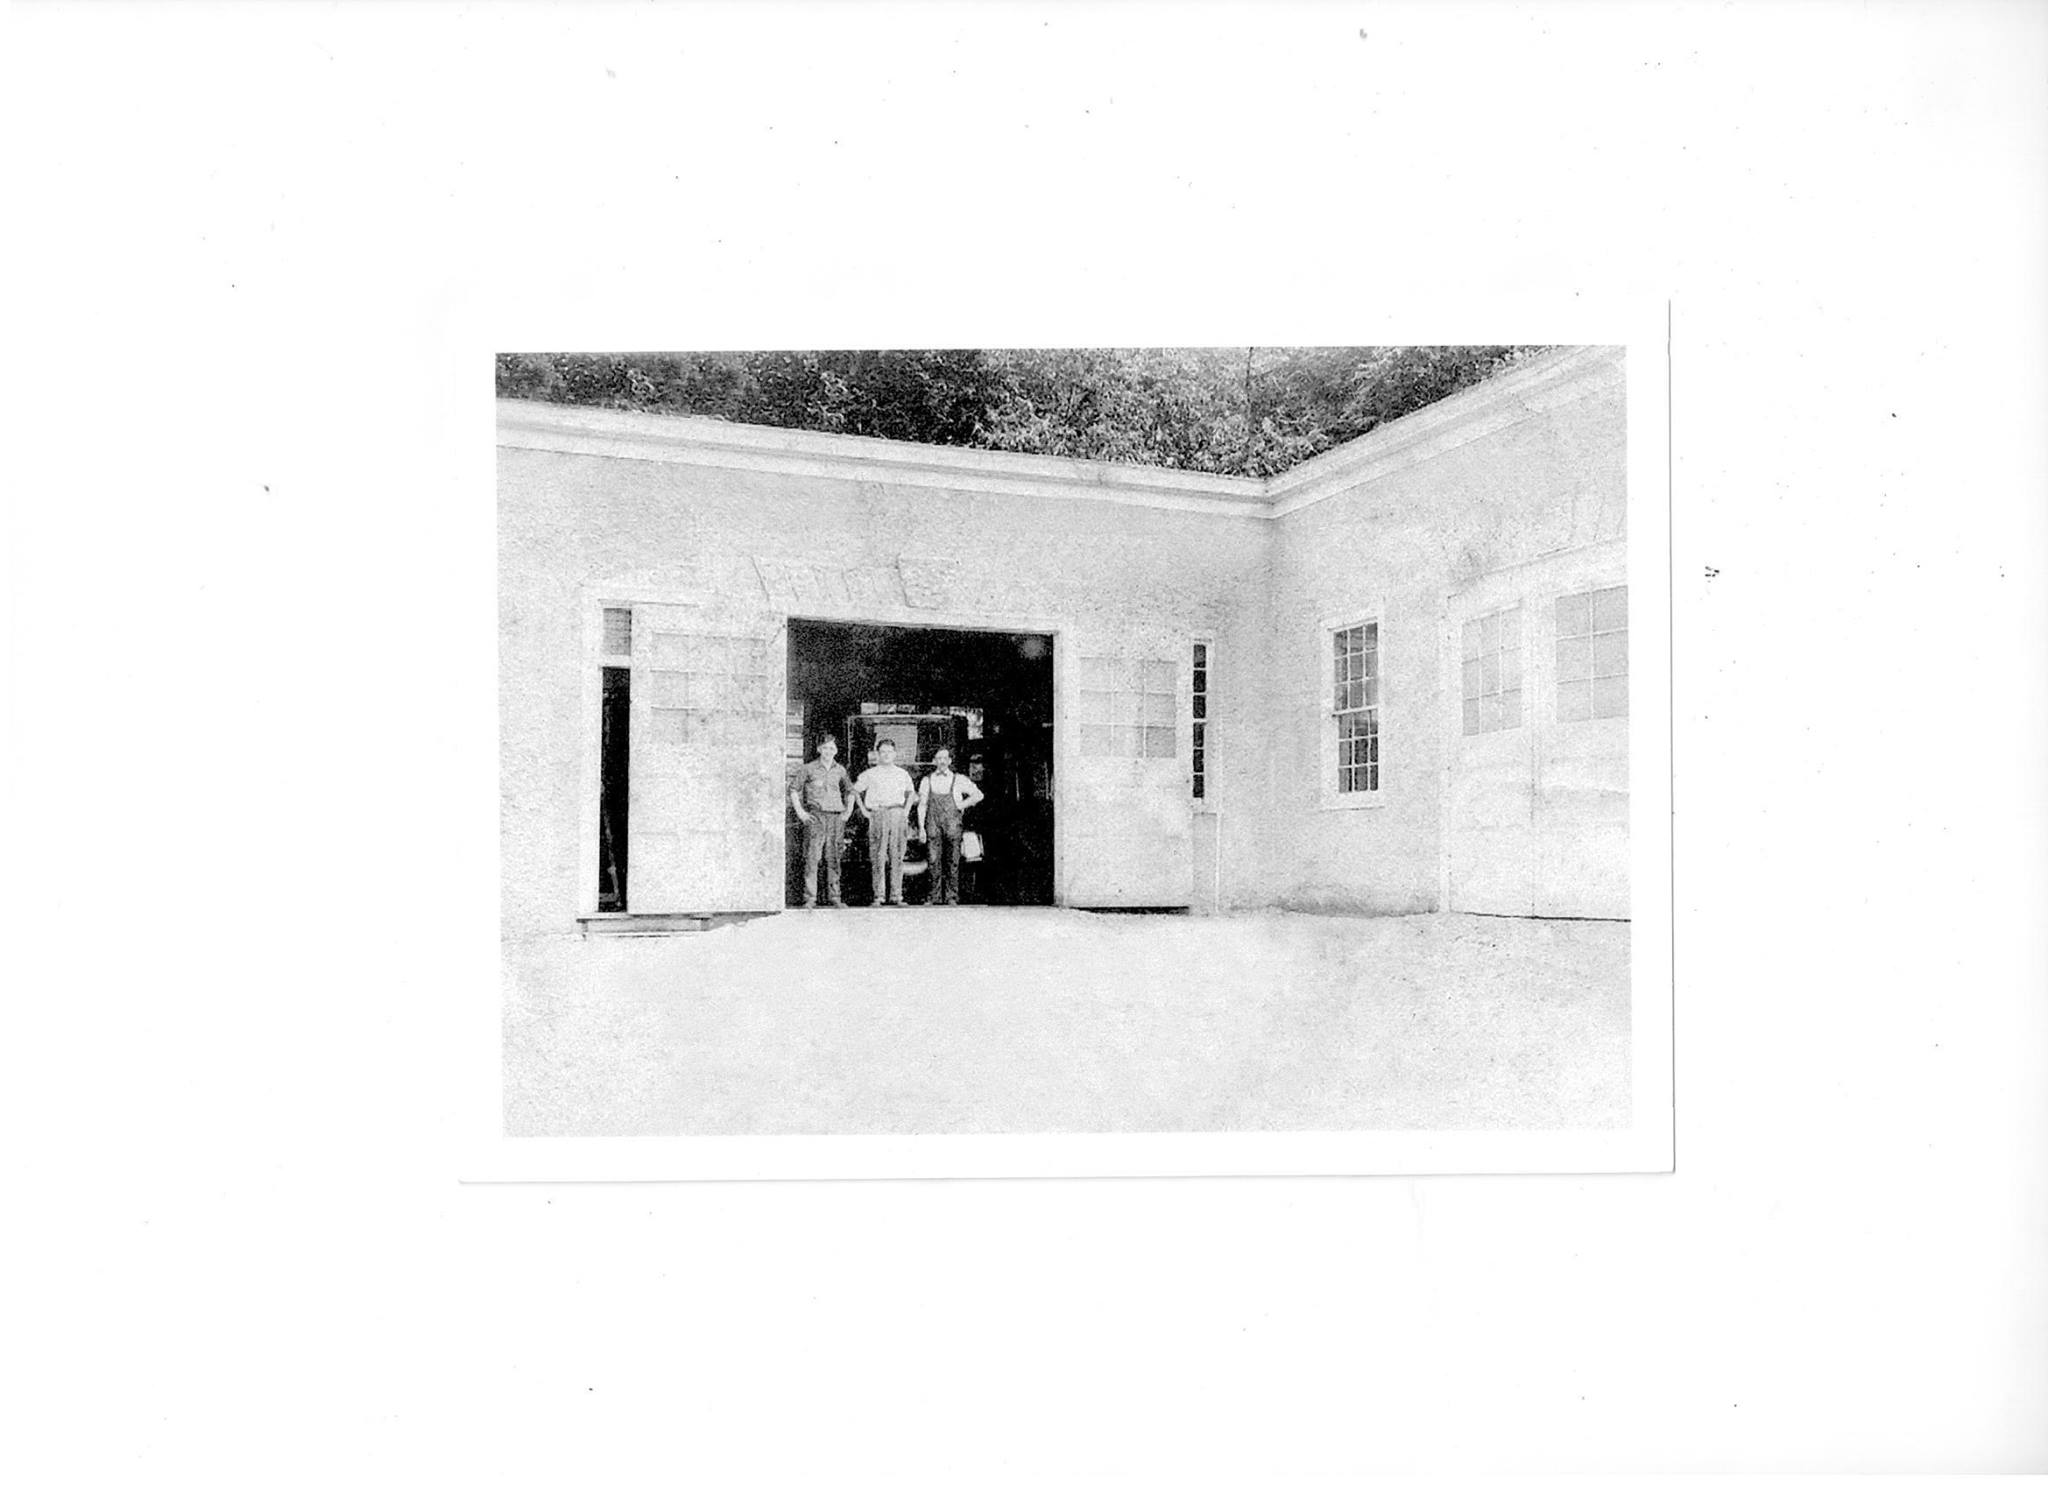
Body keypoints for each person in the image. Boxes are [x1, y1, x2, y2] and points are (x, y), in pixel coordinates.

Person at [788, 736, 853, 908]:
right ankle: (810, 898)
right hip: (816, 817)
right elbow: (793, 789)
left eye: (832, 748)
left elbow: (850, 791)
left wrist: (847, 812)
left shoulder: (840, 770)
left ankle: (835, 897)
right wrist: (801, 812)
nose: (828, 751)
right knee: (813, 857)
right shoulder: (808, 768)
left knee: (834, 858)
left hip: (835, 818)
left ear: (836, 751)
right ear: (819, 749)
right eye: (825, 748)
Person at [913, 747, 984, 905]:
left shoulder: (959, 779)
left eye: (945, 758)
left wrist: (961, 805)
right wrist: (921, 828)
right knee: (933, 860)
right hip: (933, 824)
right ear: (934, 761)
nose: (942, 761)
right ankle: (934, 896)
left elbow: (978, 795)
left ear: (950, 761)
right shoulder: (927, 780)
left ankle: (952, 897)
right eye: (939, 758)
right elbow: (922, 805)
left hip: (953, 825)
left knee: (953, 861)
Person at [850, 738, 916, 906]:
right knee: (878, 855)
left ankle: (896, 895)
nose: (886, 755)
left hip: (897, 813)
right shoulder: (870, 773)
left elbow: (911, 793)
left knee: (897, 855)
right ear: (877, 754)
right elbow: (854, 790)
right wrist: (864, 811)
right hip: (878, 814)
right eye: (883, 752)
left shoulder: (902, 774)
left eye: (889, 752)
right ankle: (879, 896)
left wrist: (905, 812)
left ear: (895, 754)